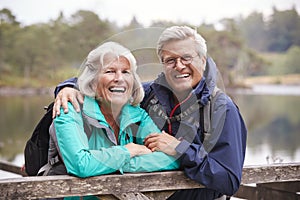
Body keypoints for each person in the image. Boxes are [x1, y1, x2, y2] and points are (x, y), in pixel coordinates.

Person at [53, 26, 247, 199]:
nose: (179, 65)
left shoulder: (222, 108)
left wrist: (180, 149)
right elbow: (111, 85)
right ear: (163, 64)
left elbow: (228, 181)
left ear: (203, 61)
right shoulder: (150, 95)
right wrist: (67, 87)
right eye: (170, 60)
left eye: (186, 58)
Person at [48, 41, 179, 180]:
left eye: (125, 72)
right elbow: (81, 165)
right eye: (110, 71)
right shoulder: (69, 108)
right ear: (92, 82)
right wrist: (129, 151)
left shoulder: (137, 114)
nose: (119, 78)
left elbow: (173, 159)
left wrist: (119, 164)